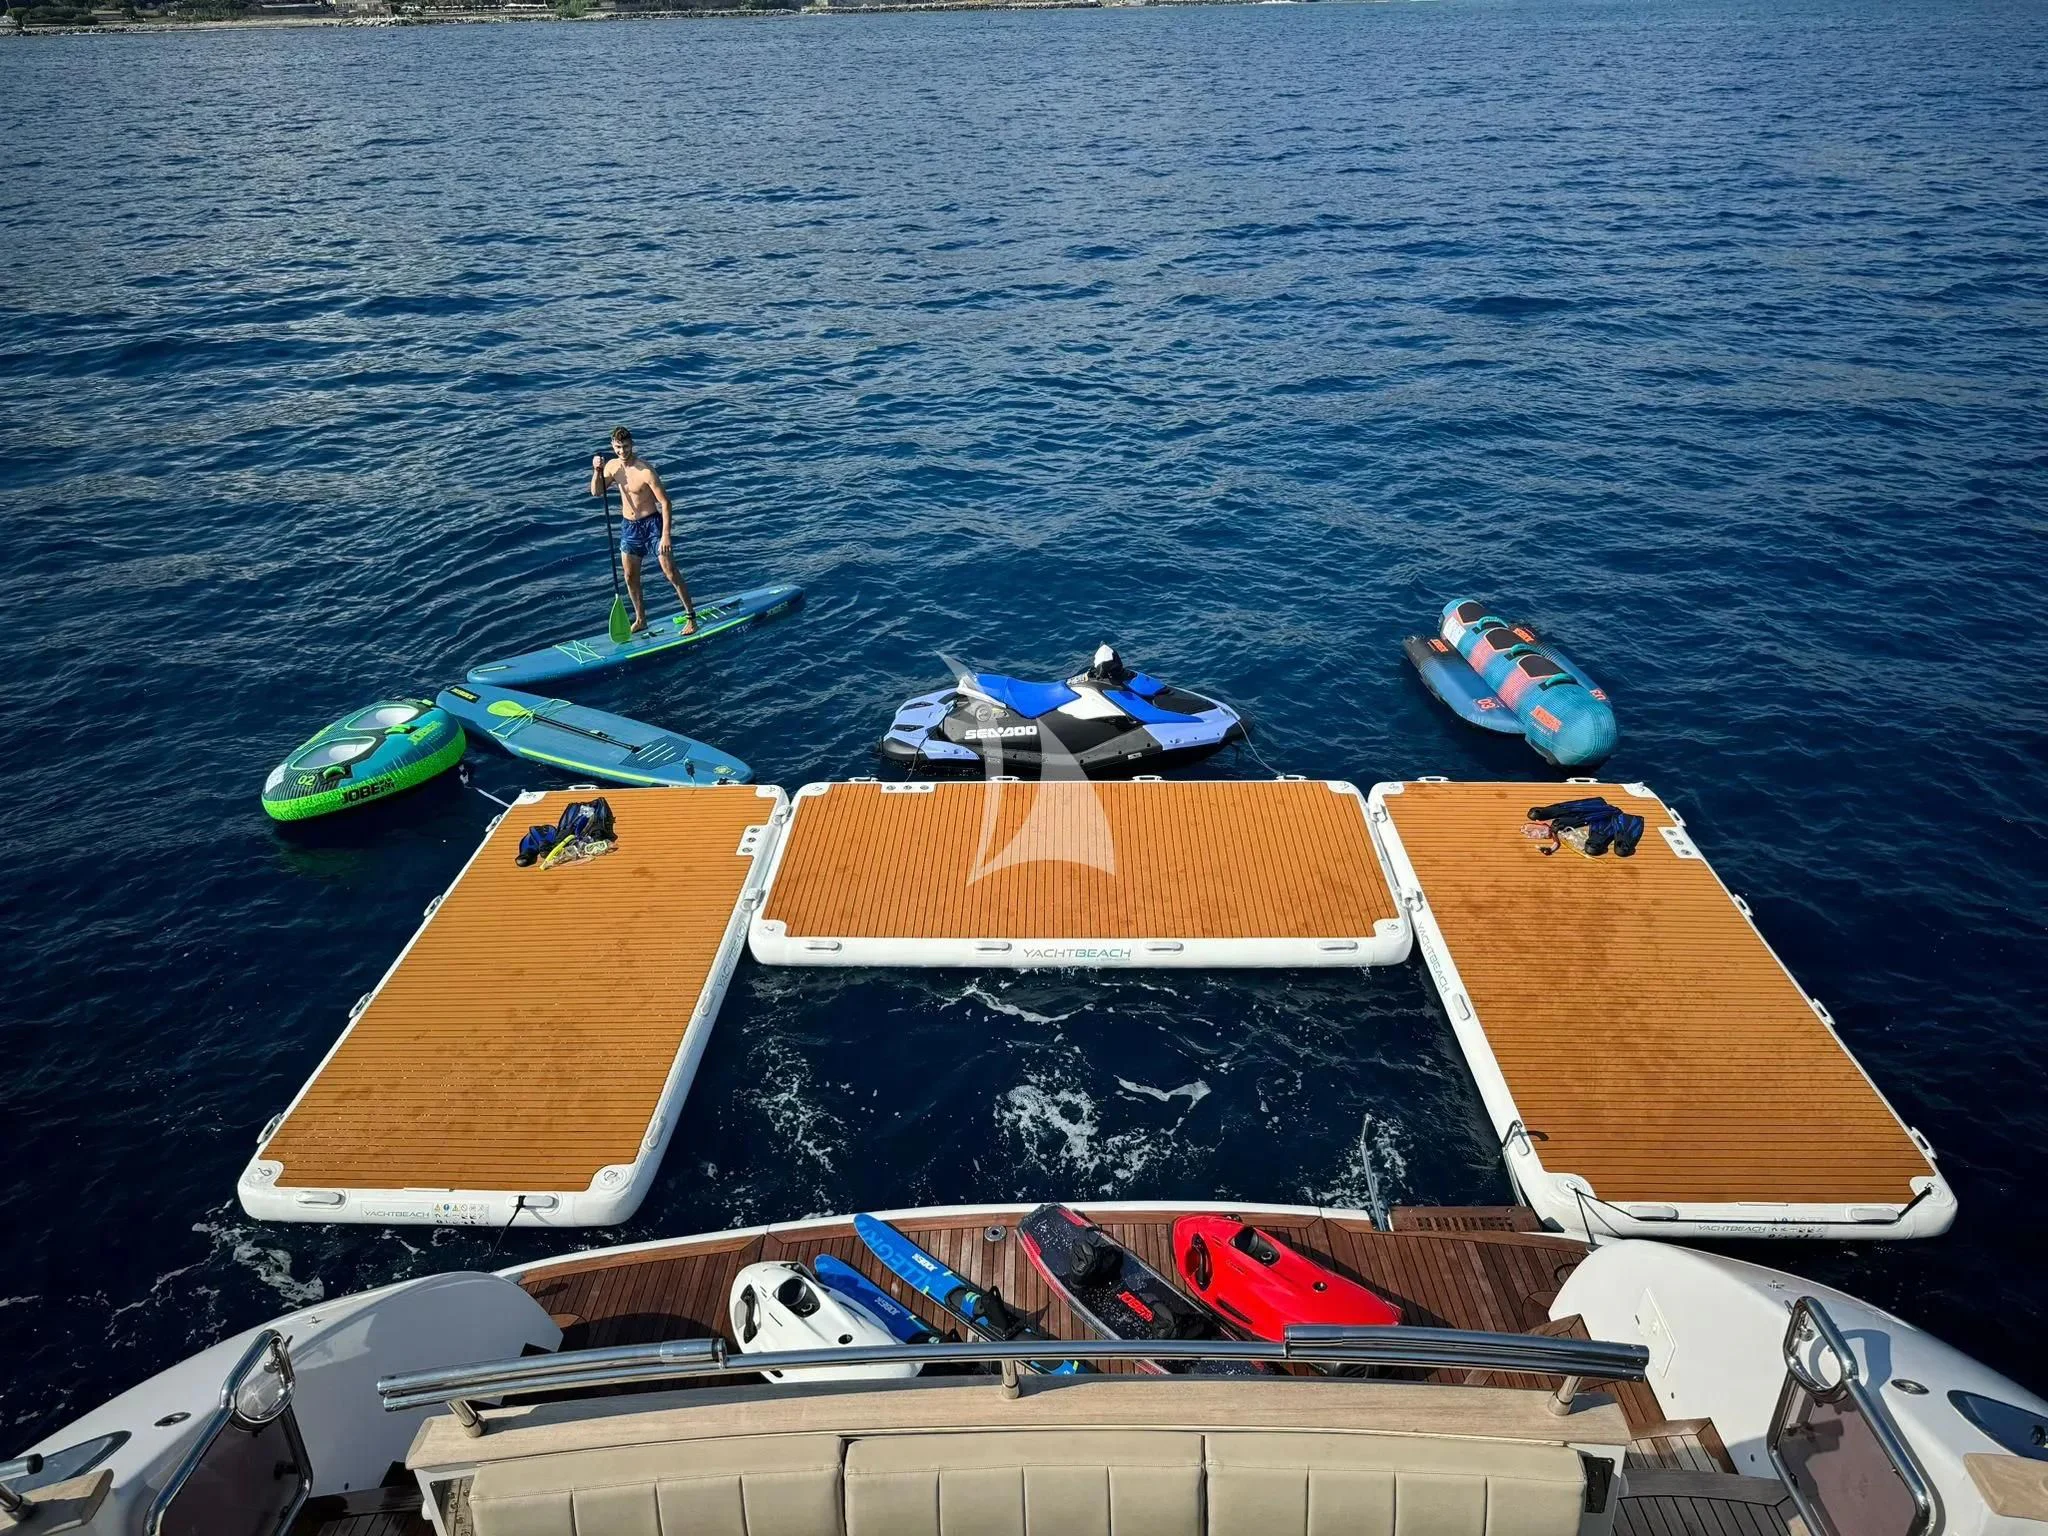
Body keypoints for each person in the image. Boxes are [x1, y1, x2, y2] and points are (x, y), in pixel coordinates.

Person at [590, 427, 695, 636]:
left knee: (670, 571)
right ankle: (641, 619)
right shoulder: (612, 467)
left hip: (653, 526)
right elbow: (596, 492)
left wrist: (666, 534)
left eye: (626, 446)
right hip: (629, 528)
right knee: (630, 577)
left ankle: (691, 617)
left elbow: (665, 503)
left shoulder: (645, 470)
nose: (622, 451)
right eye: (618, 447)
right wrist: (597, 471)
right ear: (613, 446)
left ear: (632, 445)